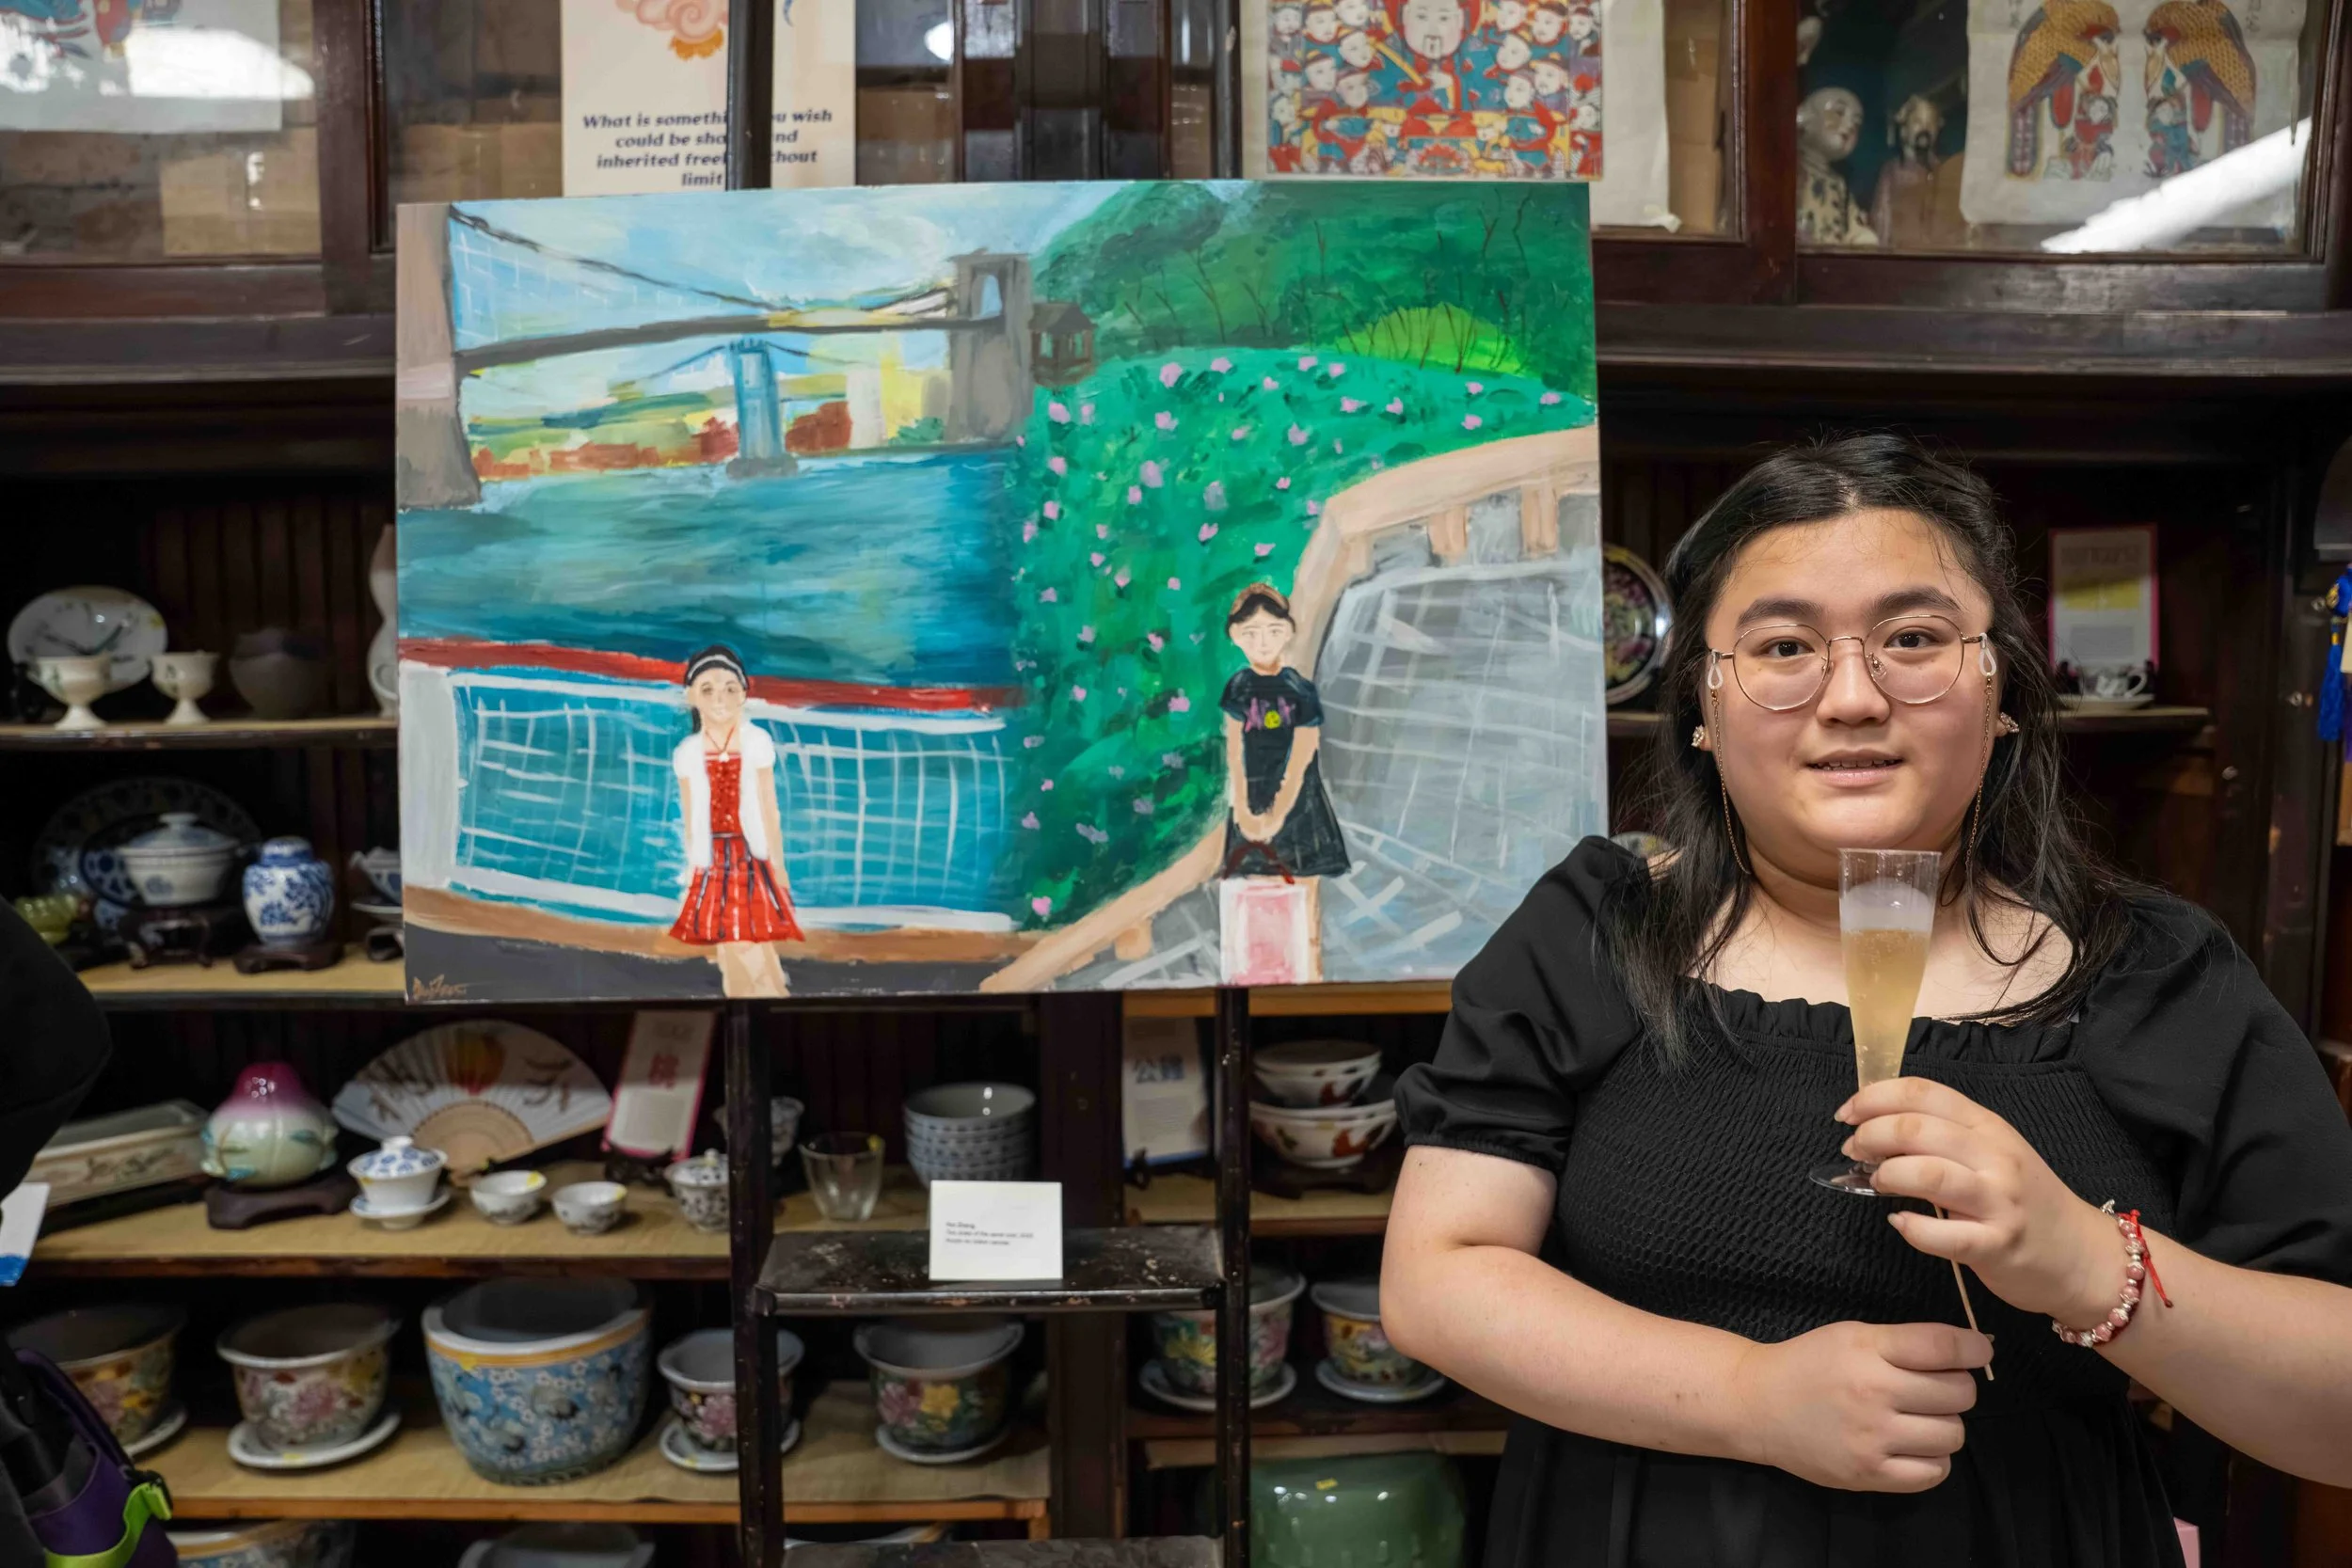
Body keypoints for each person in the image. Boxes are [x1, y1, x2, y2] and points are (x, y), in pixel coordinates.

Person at [1380, 435, 2352, 1567]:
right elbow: (1438, 1276)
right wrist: (1751, 1393)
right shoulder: (1594, 935)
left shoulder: (2160, 975)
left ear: (2001, 695)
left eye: (1912, 640)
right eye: (1782, 645)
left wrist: (2088, 1260)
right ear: (1702, 701)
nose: (1850, 697)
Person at [1220, 585, 1352, 979]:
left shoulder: (1300, 689)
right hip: (1251, 798)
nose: (1263, 642)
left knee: (1303, 897)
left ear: (1288, 632)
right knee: (1250, 891)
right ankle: (1252, 975)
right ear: (1236, 636)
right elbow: (1233, 751)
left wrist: (1277, 812)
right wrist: (1243, 808)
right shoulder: (1238, 687)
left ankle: (1307, 977)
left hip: (1299, 806)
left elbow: (1303, 753)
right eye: (1252, 633)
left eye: (1273, 631)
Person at [670, 644, 801, 997]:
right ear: (691, 696)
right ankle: (756, 1005)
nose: (719, 700)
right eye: (707, 690)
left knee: (747, 939)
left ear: (744, 694)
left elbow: (768, 807)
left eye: (730, 689)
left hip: (749, 855)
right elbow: (689, 817)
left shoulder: (756, 742)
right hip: (712, 859)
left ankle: (770, 1003)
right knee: (731, 946)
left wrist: (778, 864)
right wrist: (691, 872)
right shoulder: (687, 752)